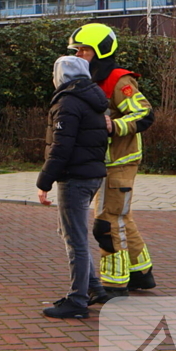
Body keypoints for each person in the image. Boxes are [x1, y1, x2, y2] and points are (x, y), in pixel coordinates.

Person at [68, 23, 157, 296]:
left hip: (121, 161)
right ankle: (141, 272)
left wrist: (113, 126)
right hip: (100, 162)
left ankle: (114, 285)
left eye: (85, 50)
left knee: (106, 223)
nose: (79, 56)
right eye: (76, 50)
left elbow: (144, 114)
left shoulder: (119, 81)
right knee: (121, 217)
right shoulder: (84, 80)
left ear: (101, 51)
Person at [37, 56, 110, 319]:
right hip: (91, 175)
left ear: (61, 75)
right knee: (71, 231)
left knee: (76, 239)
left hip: (75, 178)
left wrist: (44, 181)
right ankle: (92, 287)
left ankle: (77, 301)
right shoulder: (95, 99)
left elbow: (61, 146)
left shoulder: (67, 102)